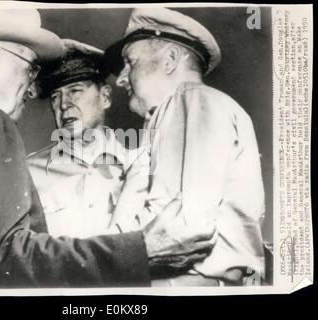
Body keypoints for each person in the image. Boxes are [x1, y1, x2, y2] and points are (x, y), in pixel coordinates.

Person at [0, 5, 216, 288]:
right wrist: (141, 251)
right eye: (30, 68)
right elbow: (6, 258)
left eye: (76, 91)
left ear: (105, 97)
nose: (30, 89)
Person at [105, 8, 265, 285]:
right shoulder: (189, 109)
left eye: (130, 62)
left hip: (183, 281)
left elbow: (183, 227)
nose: (120, 79)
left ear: (170, 60)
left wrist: (103, 262)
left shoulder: (189, 101)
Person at [27, 40, 149, 238]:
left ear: (105, 97)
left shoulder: (138, 165)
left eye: (75, 91)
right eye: (55, 97)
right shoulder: (30, 172)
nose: (64, 105)